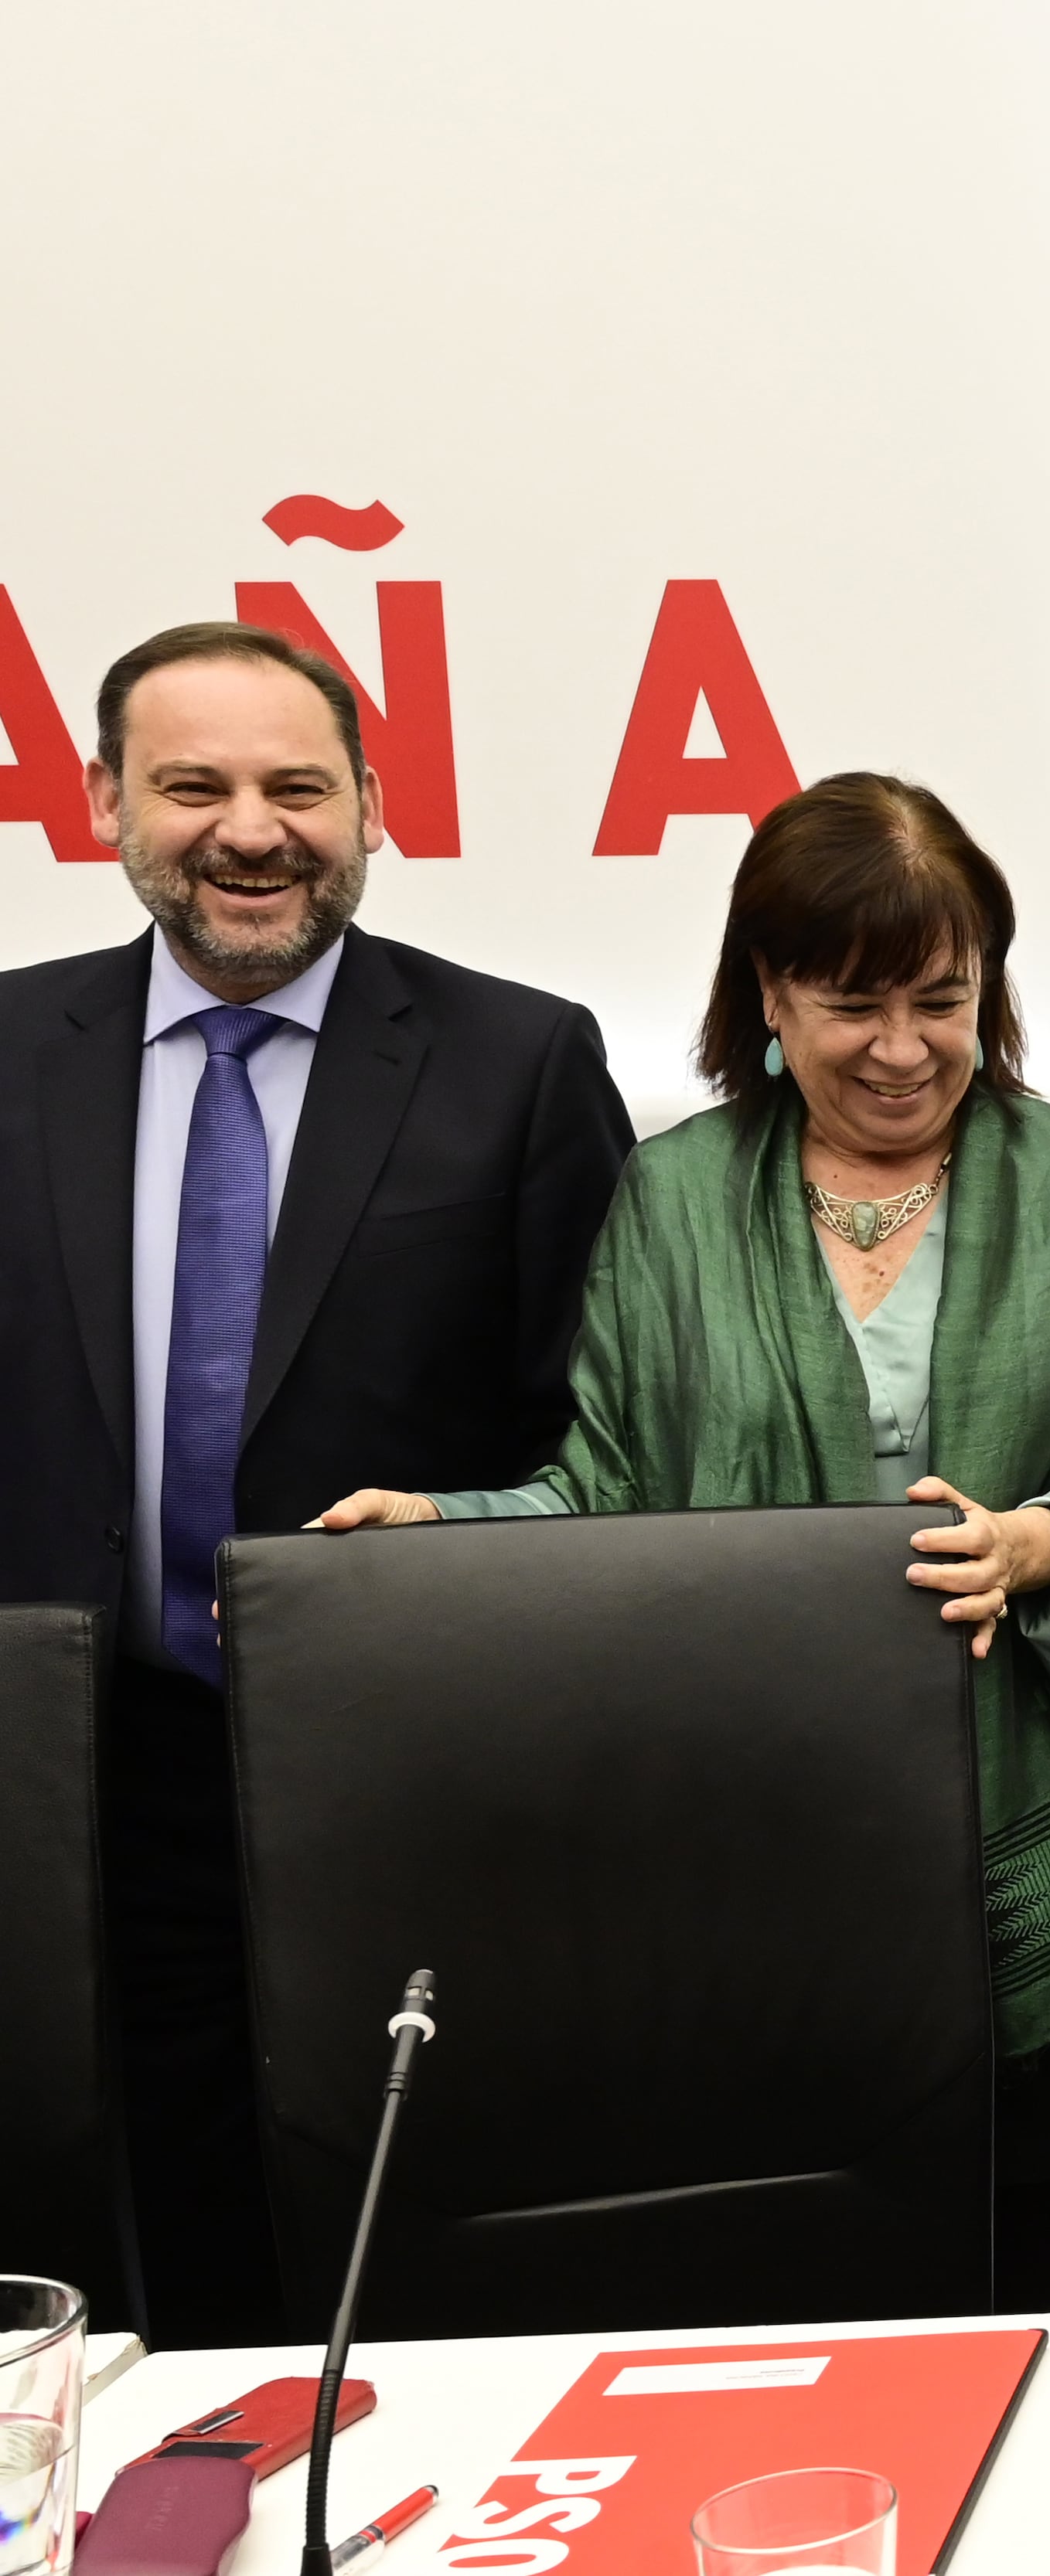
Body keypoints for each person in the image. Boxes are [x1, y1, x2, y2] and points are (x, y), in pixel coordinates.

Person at [314, 773, 1050, 2303]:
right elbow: (601, 1495)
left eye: (944, 997)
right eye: (853, 1002)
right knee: (782, 2275)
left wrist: (1046, 1539)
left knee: (1022, 2273)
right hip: (753, 1835)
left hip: (1006, 1822)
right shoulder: (673, 1194)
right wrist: (441, 1527)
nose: (905, 1047)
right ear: (769, 995)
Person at [0, 623, 630, 2344]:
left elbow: (603, 1442)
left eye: (298, 784)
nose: (250, 828)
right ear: (103, 802)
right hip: (88, 1786)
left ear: (372, 801)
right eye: (193, 783)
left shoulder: (521, 1062)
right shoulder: (6, 1054)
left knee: (438, 2245)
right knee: (153, 2259)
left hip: (427, 1772)